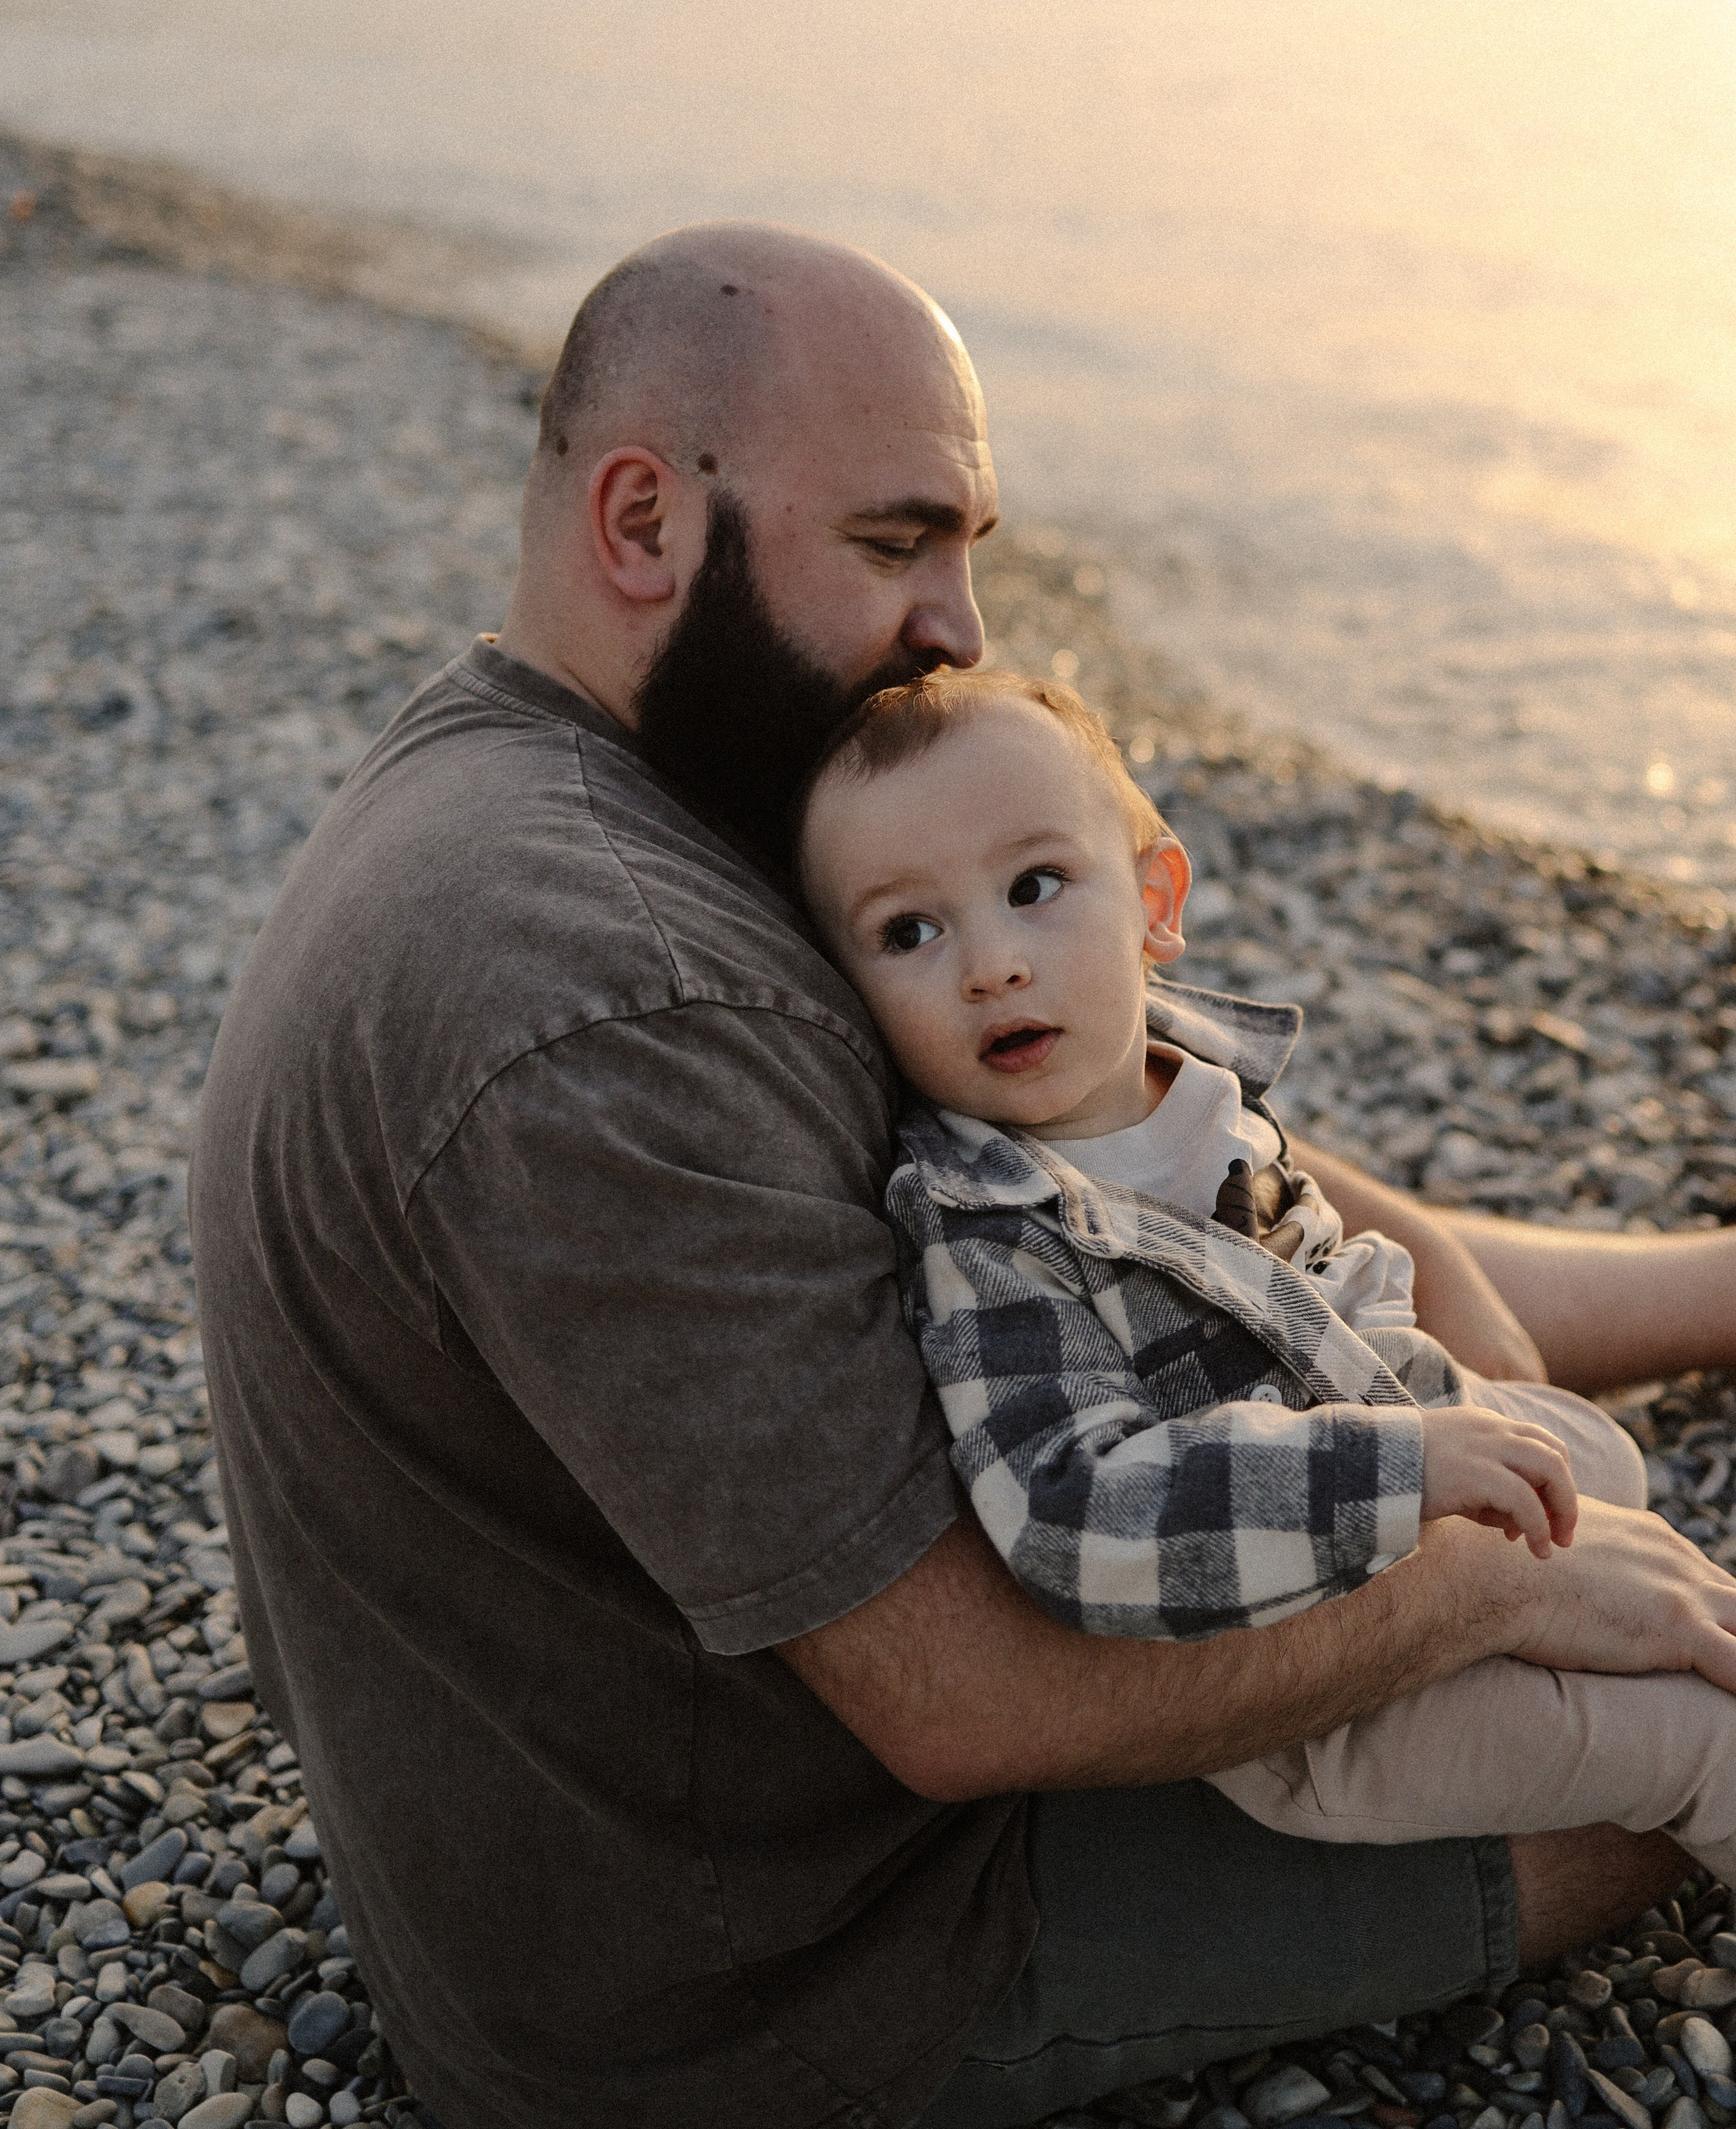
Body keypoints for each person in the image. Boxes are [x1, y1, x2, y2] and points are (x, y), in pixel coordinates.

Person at [190, 222, 1736, 2129]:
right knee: (1656, 1743)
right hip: (766, 1962)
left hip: (628, 1756)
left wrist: (1488, 1367)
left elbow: (1157, 1170)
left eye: (970, 548)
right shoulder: (612, 998)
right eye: (895, 544)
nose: (962, 630)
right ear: (644, 519)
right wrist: (1483, 1575)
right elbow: (966, 1701)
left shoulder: (615, 777)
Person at [794, 661, 1736, 1903]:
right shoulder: (986, 1233)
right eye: (909, 932)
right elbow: (1077, 1515)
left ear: (1154, 903)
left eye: (1034, 886)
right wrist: (1403, 1470)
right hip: (1314, 1692)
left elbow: (1329, 1286)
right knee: (1701, 1738)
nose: (992, 964)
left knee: (1597, 1460)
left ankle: (1582, 1621)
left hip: (1390, 1499)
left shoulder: (1196, 1092)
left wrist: (1436, 1399)